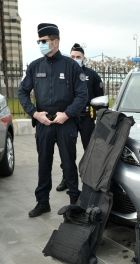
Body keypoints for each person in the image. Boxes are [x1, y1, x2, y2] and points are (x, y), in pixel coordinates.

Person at [18, 23, 88, 217]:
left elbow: (82, 95)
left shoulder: (71, 66)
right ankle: (42, 202)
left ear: (55, 42)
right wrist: (34, 113)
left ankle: (75, 202)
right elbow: (22, 92)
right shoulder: (34, 66)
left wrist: (66, 114)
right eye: (39, 41)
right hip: (44, 123)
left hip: (65, 123)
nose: (40, 44)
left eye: (44, 41)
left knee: (68, 164)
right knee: (44, 163)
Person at [56, 43, 105, 192]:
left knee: (89, 150)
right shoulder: (62, 74)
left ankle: (90, 181)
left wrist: (98, 118)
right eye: (72, 57)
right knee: (66, 151)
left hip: (86, 119)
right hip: (68, 118)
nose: (75, 59)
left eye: (78, 57)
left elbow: (100, 99)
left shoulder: (92, 75)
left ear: (84, 58)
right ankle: (67, 178)